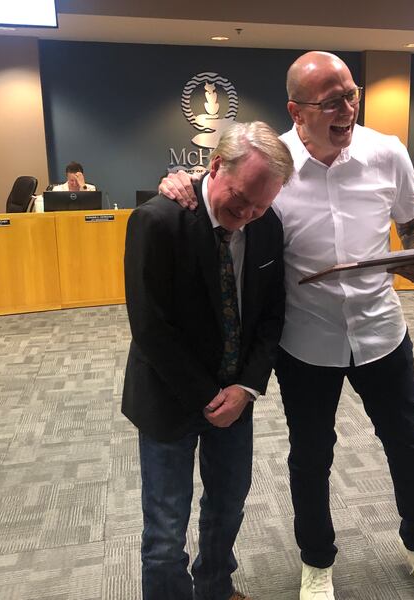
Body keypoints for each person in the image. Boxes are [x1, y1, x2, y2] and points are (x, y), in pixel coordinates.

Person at [159, 51, 414, 600]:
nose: (348, 109)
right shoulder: (273, 164)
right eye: (332, 102)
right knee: (311, 457)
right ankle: (317, 562)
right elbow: (217, 185)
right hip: (306, 341)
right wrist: (177, 181)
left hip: (381, 331)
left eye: (352, 95)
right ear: (296, 111)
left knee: (407, 442)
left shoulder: (387, 153)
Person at [122, 121, 293, 600]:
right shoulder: (158, 221)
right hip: (170, 397)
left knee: (227, 508)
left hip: (236, 400)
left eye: (261, 205)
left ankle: (216, 589)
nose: (248, 214)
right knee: (165, 531)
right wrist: (208, 396)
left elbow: (271, 315)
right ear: (215, 166)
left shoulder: (266, 226)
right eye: (241, 199)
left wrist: (247, 388)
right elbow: (150, 327)